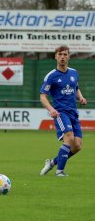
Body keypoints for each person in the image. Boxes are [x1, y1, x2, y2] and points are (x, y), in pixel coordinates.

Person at [39, 45, 87, 177]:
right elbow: (42, 96)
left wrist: (81, 97)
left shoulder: (74, 72)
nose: (62, 57)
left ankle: (52, 163)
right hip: (60, 112)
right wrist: (51, 109)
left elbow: (76, 88)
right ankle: (60, 172)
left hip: (73, 112)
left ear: (69, 57)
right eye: (60, 54)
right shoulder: (51, 76)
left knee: (77, 146)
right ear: (55, 56)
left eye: (65, 54)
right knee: (69, 138)